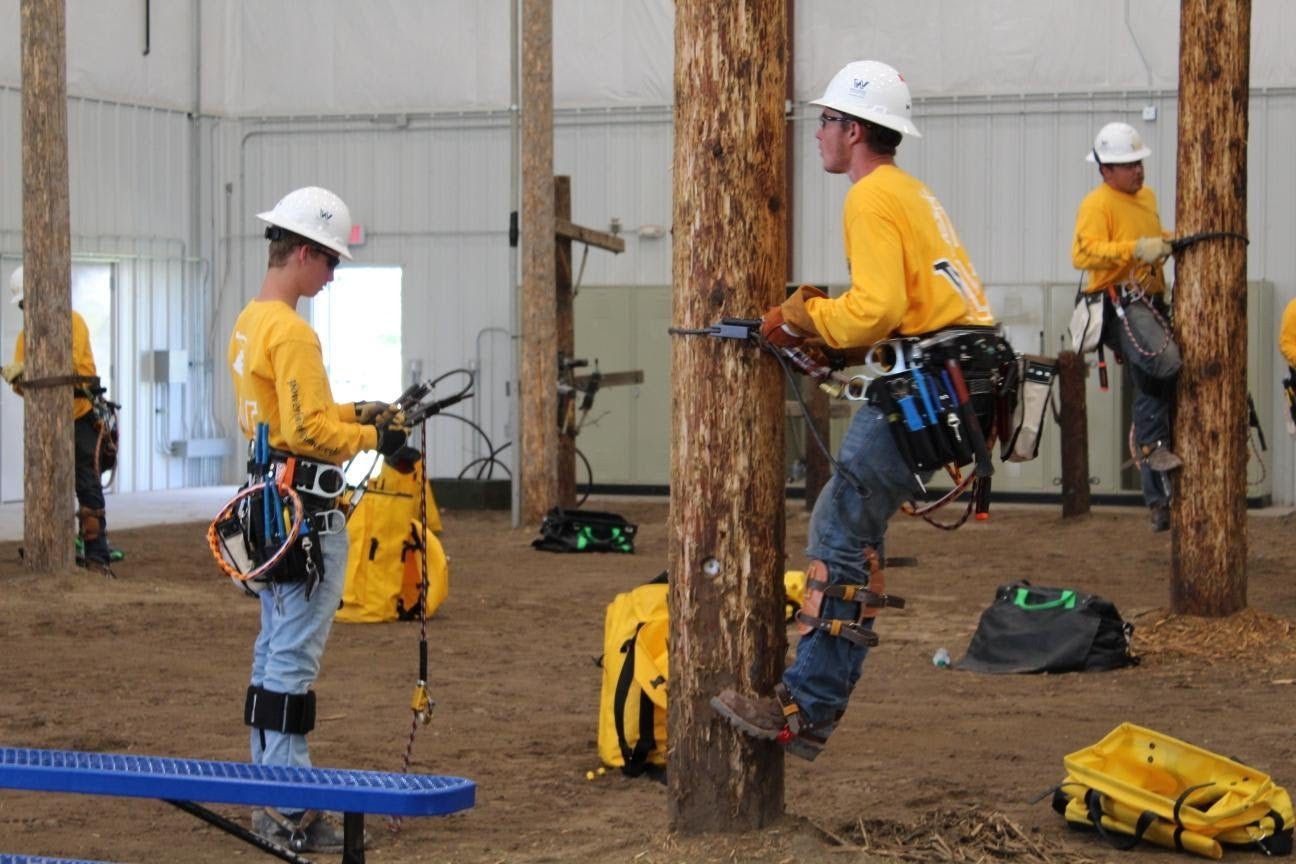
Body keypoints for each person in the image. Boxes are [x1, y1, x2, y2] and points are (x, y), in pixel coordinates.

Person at [710, 60, 1005, 761]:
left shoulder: (870, 197)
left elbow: (875, 309)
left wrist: (807, 315)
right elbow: (902, 308)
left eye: (826, 121)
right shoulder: (910, 192)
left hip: (934, 381)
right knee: (854, 531)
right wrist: (831, 336)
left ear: (855, 130)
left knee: (840, 530)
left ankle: (805, 706)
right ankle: (811, 704)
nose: (817, 134)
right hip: (958, 372)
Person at [228, 186, 408, 852]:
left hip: (268, 512)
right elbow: (307, 430)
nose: (331, 276)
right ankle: (291, 809)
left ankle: (268, 794)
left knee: (273, 649)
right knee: (292, 662)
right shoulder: (295, 331)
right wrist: (374, 443)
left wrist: (361, 413)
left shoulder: (252, 322)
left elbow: (290, 417)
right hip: (306, 516)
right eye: (329, 261)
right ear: (302, 252)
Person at [1072, 121, 1182, 533]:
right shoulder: (1096, 205)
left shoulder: (1146, 197)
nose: (1137, 170)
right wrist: (1135, 249)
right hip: (1118, 299)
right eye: (1127, 165)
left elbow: (1150, 235)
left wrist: (1168, 240)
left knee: (1158, 382)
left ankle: (1159, 500)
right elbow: (1083, 253)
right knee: (1161, 363)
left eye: (1138, 162)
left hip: (1151, 297)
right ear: (1104, 170)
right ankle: (1152, 448)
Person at [2, 264, 117, 569]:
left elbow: (75, 370)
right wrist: (19, 380)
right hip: (45, 422)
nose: (29, 309)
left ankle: (96, 551)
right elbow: (23, 390)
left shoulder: (73, 323)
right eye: (25, 305)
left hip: (79, 416)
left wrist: (35, 371)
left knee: (86, 481)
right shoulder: (24, 339)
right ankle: (48, 545)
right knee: (45, 481)